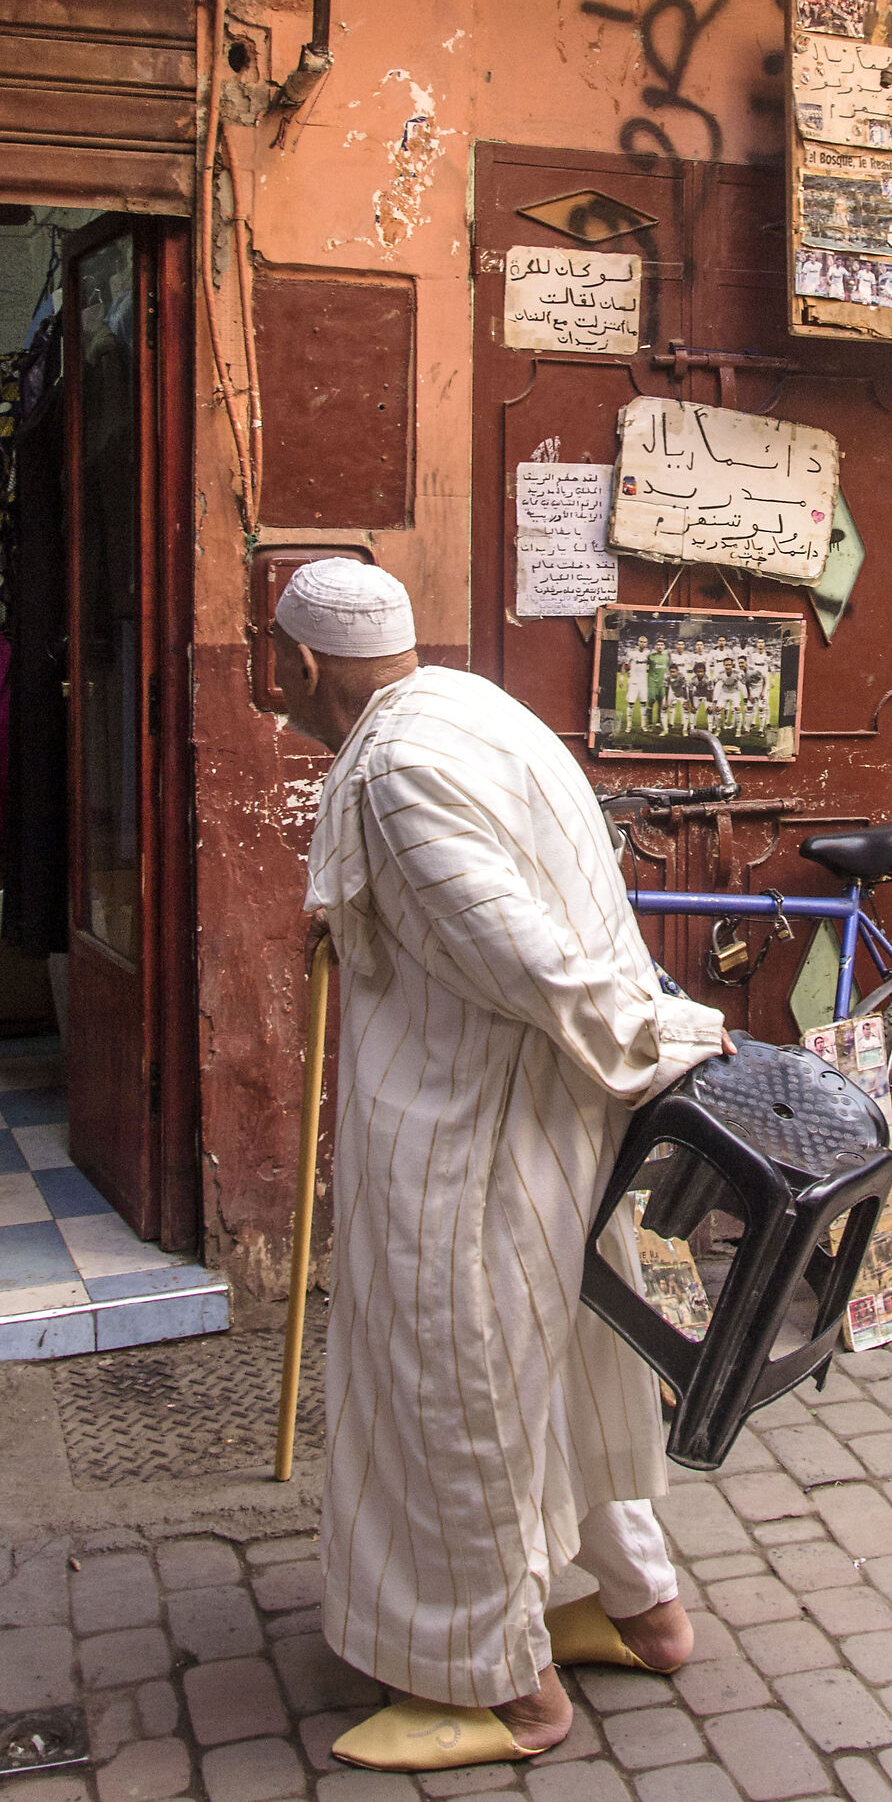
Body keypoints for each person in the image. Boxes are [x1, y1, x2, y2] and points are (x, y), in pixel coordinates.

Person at [271, 559, 729, 1769]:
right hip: (548, 1121)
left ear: (303, 666)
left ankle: (506, 1689)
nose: (273, 681)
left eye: (276, 664)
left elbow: (525, 954)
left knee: (455, 1390)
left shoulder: (397, 768)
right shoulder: (473, 709)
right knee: (567, 1370)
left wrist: (664, 1034)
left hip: (468, 1144)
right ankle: (643, 1614)